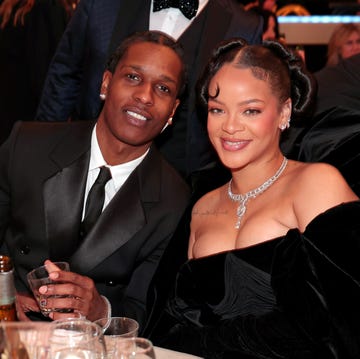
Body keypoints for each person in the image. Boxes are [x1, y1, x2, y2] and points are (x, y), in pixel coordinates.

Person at [145, 38, 360, 358]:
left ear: (284, 111)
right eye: (218, 110)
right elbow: (174, 320)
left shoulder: (316, 184)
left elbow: (345, 319)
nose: (230, 126)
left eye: (250, 110)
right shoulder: (201, 206)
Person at [0, 30, 191, 330]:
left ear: (173, 111)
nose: (145, 96)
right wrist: (6, 298)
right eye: (133, 77)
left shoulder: (174, 202)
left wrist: (101, 310)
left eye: (163, 88)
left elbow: (149, 311)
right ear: (105, 83)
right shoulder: (27, 146)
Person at [35, 0, 263, 179]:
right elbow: (65, 74)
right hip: (84, 167)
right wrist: (43, 153)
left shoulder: (242, 25)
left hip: (182, 187)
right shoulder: (103, 4)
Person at [0, 0, 77, 145]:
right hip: (30, 109)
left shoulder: (11, 6)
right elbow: (49, 67)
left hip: (8, 102)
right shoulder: (46, 8)